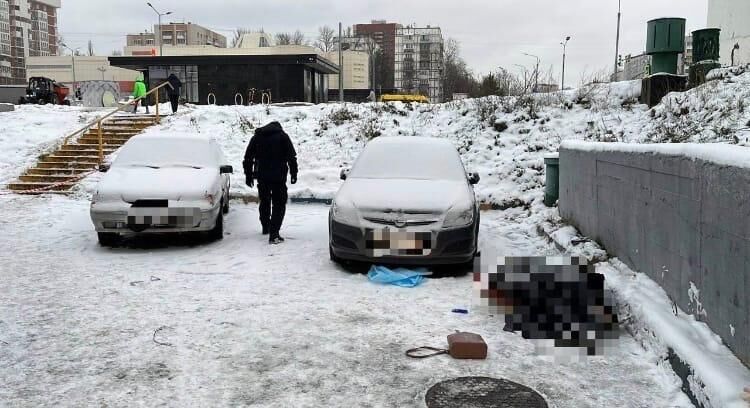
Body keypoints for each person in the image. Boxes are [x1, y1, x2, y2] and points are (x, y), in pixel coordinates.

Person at [243, 121, 298, 244]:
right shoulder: (283, 136)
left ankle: (265, 226)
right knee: (279, 204)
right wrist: (294, 174)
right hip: (279, 177)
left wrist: (249, 175)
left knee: (265, 201)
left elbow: (248, 158)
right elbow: (291, 157)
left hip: (262, 176)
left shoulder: (257, 137)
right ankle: (274, 234)